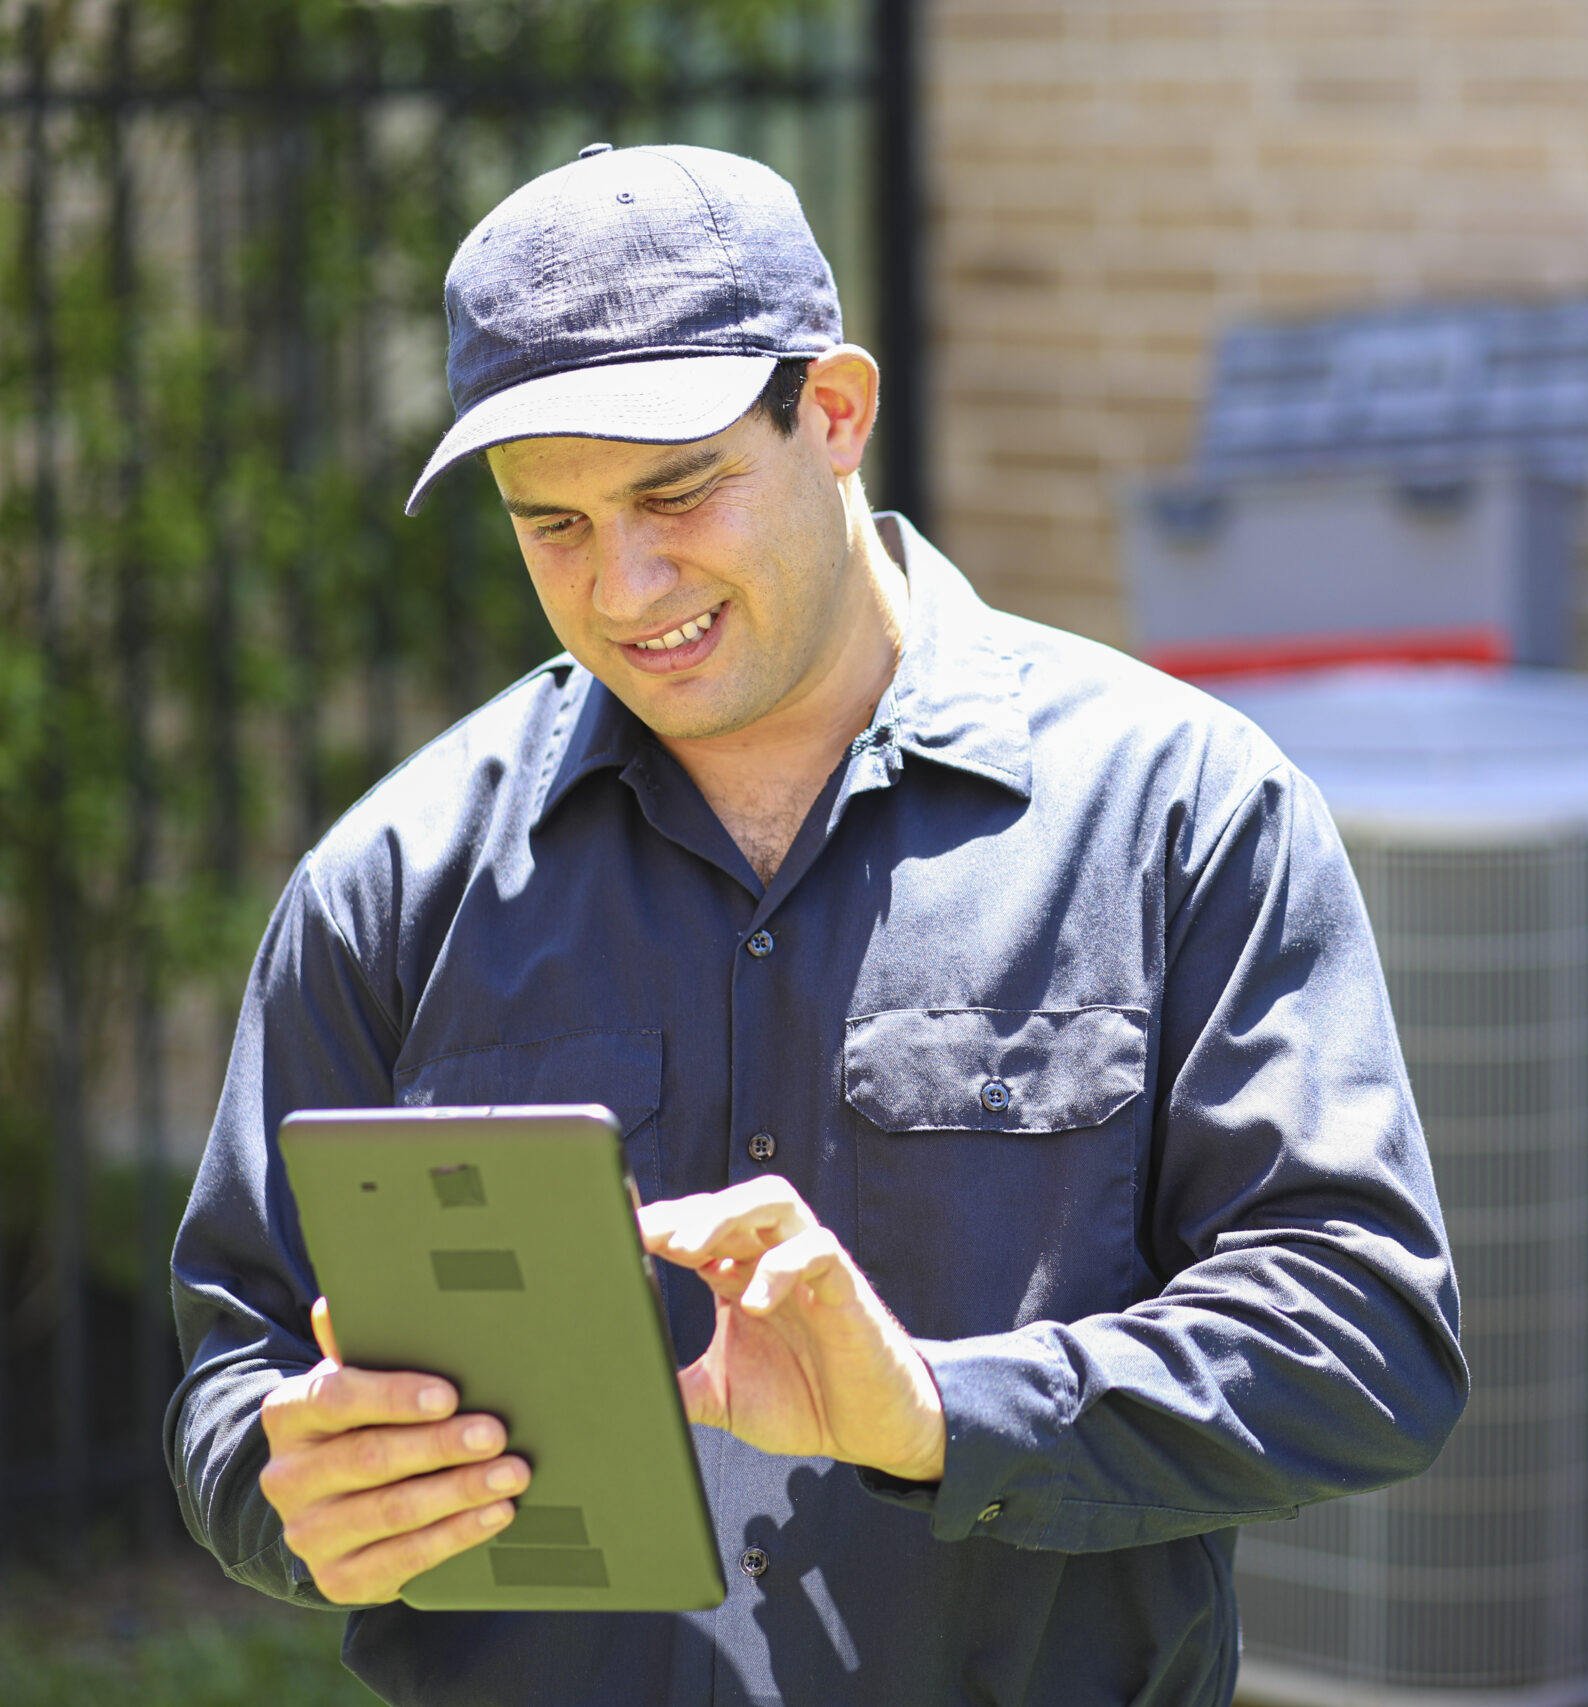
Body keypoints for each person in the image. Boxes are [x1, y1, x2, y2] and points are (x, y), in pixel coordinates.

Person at [166, 144, 1465, 1706]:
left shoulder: (1183, 811)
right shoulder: (389, 884)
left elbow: (1362, 1335)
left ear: (835, 414)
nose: (627, 585)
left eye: (677, 491)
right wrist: (295, 1487)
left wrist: (936, 1413)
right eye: (550, 524)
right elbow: (233, 1378)